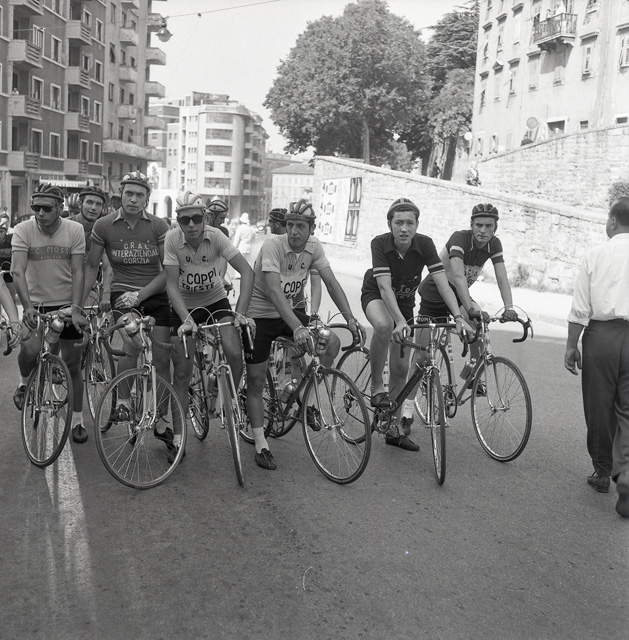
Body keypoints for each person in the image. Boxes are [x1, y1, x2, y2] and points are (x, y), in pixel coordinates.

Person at [244, 199, 365, 470]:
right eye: (290, 225)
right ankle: (261, 442)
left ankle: (306, 401)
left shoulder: (314, 247)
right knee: (255, 380)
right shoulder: (273, 246)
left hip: (287, 312)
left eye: (300, 226)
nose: (294, 231)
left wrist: (350, 319)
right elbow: (274, 291)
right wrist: (297, 327)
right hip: (260, 314)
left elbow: (331, 283)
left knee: (330, 341)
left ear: (312, 228)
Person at [361, 197, 468, 450]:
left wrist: (459, 317)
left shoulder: (425, 244)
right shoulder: (380, 243)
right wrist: (399, 321)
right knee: (385, 326)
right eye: (398, 222)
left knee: (400, 369)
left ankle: (393, 428)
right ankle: (376, 386)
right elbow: (384, 287)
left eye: (410, 223)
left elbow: (443, 284)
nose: (404, 228)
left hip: (405, 302)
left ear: (417, 225)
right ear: (389, 224)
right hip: (376, 294)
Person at [81, 171, 172, 449]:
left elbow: (169, 270)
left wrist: (140, 295)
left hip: (154, 293)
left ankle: (161, 421)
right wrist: (77, 305)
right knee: (133, 342)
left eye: (139, 195)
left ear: (147, 198)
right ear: (120, 194)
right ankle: (121, 402)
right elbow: (91, 267)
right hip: (121, 294)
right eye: (129, 193)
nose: (133, 199)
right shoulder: (104, 225)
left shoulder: (158, 225)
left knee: (162, 358)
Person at [164, 192, 255, 450]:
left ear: (204, 217)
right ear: (178, 221)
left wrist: (241, 313)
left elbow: (247, 271)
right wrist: (186, 319)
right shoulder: (172, 238)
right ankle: (179, 438)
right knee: (182, 373)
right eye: (185, 220)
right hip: (184, 305)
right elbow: (171, 285)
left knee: (234, 353)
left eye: (196, 218)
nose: (191, 225)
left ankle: (230, 400)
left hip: (215, 300)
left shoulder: (216, 236)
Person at [565, 197, 629, 517]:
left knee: (599, 405)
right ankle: (626, 473)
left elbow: (580, 307)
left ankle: (602, 471)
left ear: (613, 221)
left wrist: (571, 345)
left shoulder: (596, 254)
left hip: (602, 336)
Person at [11, 184, 88, 443]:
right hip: (35, 303)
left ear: (60, 208)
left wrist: (76, 309)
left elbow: (78, 271)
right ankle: (24, 383)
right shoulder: (23, 230)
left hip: (66, 304)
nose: (40, 213)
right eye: (36, 208)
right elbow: (17, 271)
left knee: (73, 365)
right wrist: (27, 307)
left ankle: (77, 420)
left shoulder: (74, 230)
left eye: (46, 208)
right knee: (30, 350)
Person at [417, 203, 517, 390]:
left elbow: (502, 277)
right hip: (435, 291)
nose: (483, 230)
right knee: (421, 355)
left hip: (459, 293)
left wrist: (509, 307)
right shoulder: (460, 238)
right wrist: (469, 308)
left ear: (495, 228)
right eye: (478, 225)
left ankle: (472, 375)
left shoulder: (494, 244)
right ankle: (419, 382)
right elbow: (458, 277)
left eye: (488, 226)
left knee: (480, 325)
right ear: (471, 225)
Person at [70, 185, 112, 309]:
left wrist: (106, 296)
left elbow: (107, 266)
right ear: (80, 204)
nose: (94, 208)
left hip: (88, 288)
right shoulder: (66, 226)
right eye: (89, 202)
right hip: (62, 286)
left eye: (98, 204)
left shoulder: (104, 231)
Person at [232, 213, 257, 277]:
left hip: (241, 246)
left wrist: (234, 247)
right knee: (248, 262)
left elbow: (237, 239)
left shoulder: (240, 229)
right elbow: (254, 239)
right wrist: (249, 242)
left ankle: (238, 275)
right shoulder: (251, 229)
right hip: (248, 246)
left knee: (239, 261)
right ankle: (247, 274)